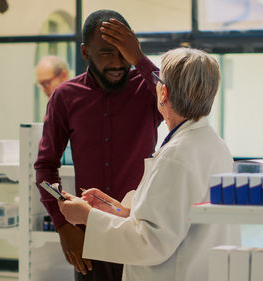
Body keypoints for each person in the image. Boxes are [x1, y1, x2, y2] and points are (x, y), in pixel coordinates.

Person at [57, 47, 240, 281]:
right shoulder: (212, 145)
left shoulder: (177, 155)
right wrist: (120, 211)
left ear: (163, 93)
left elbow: (151, 243)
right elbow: (174, 218)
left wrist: (88, 218)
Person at [34, 9, 162, 281]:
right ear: (85, 52)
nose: (118, 62)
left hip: (142, 233)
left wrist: (138, 58)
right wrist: (63, 226)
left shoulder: (149, 91)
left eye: (123, 52)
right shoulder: (65, 97)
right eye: (106, 53)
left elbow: (181, 100)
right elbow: (45, 167)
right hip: (90, 237)